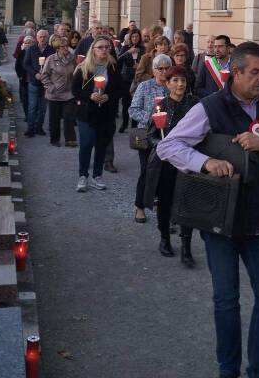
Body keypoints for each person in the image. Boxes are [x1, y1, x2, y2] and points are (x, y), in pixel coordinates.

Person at [158, 42, 259, 378]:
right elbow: (169, 146)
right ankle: (228, 370)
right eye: (253, 72)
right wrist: (205, 161)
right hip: (221, 219)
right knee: (226, 301)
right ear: (235, 73)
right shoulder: (210, 107)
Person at [142, 64, 199, 264]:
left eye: (183, 80)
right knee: (165, 203)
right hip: (166, 164)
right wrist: (164, 147)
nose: (180, 84)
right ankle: (164, 239)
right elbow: (151, 135)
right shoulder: (161, 106)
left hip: (189, 162)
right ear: (167, 84)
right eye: (175, 80)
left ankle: (186, 246)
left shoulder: (194, 104)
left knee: (187, 204)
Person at [70, 36, 122, 192]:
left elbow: (120, 89)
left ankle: (97, 175)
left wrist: (109, 96)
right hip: (86, 112)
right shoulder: (84, 67)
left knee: (101, 145)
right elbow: (75, 90)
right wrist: (89, 96)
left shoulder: (113, 67)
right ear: (93, 49)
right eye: (100, 47)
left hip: (105, 113)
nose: (104, 50)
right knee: (86, 144)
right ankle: (83, 176)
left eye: (107, 47)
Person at [129, 53, 173, 223]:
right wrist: (152, 119)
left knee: (167, 175)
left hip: (169, 137)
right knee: (146, 172)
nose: (163, 72)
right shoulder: (144, 86)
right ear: (153, 70)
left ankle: (165, 213)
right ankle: (139, 207)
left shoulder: (174, 86)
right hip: (147, 136)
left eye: (166, 68)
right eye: (159, 68)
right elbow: (133, 109)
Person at [39, 35, 78, 147]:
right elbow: (44, 76)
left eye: (67, 45)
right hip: (54, 94)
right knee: (54, 118)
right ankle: (55, 139)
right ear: (57, 48)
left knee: (68, 117)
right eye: (63, 46)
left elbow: (76, 73)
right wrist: (51, 87)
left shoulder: (72, 58)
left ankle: (70, 140)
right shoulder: (51, 59)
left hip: (69, 93)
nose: (66, 48)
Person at [23, 29, 54, 137]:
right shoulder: (32, 49)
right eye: (40, 37)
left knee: (43, 107)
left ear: (47, 37)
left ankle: (39, 127)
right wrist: (35, 74)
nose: (42, 39)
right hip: (33, 81)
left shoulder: (51, 50)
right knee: (32, 106)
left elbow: (54, 65)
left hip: (46, 83)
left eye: (44, 37)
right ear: (37, 38)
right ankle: (30, 128)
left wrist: (46, 75)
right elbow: (26, 64)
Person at [118, 29, 144, 131]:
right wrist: (128, 52)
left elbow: (147, 61)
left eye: (137, 36)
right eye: (133, 37)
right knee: (126, 102)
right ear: (130, 38)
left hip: (138, 79)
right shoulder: (125, 48)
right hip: (126, 78)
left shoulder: (143, 49)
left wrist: (139, 65)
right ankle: (124, 124)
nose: (135, 38)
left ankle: (134, 125)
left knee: (136, 102)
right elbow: (118, 59)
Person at [14, 32, 35, 119]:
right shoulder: (22, 53)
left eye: (29, 42)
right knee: (25, 99)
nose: (27, 44)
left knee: (33, 100)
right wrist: (20, 76)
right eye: (26, 43)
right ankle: (27, 115)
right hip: (24, 79)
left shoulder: (36, 52)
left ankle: (33, 116)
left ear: (33, 44)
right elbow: (17, 66)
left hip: (33, 80)